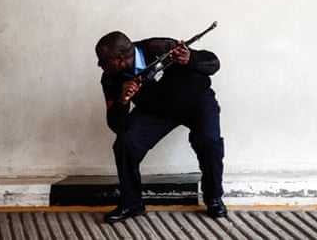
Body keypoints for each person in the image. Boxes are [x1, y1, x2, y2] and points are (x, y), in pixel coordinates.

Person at [95, 30, 226, 223]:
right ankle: (132, 204)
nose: (100, 65)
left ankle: (214, 198)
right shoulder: (111, 78)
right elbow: (116, 125)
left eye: (103, 60)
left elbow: (213, 63)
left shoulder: (158, 47)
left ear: (120, 58)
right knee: (126, 142)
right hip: (157, 110)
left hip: (196, 101)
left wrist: (190, 58)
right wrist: (122, 101)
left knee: (209, 141)